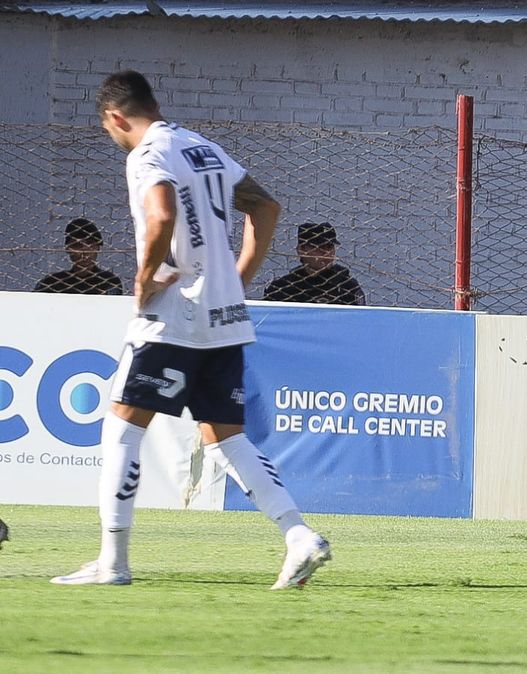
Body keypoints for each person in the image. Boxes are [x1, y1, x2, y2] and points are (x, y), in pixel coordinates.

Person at [51, 70, 331, 588]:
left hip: (173, 316)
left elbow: (160, 216)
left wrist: (142, 280)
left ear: (115, 117)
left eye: (109, 129)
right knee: (226, 437)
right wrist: (236, 278)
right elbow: (266, 207)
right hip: (223, 318)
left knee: (121, 429)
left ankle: (113, 563)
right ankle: (299, 536)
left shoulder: (146, 155)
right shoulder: (202, 147)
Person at [263, 222, 365, 305]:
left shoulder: (345, 285)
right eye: (319, 247)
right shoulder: (284, 287)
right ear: (302, 249)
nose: (326, 253)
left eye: (330, 247)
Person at [34, 218, 124, 295]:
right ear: (68, 249)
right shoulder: (53, 282)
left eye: (90, 245)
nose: (84, 252)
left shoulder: (108, 282)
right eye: (77, 246)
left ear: (97, 248)